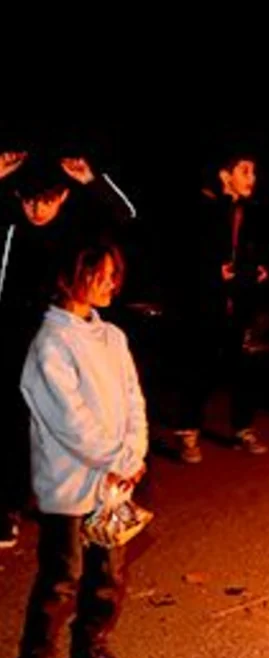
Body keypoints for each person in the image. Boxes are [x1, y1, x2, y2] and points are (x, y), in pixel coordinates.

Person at [12, 244, 147, 658]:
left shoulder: (113, 337)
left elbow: (133, 399)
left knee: (108, 573)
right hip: (70, 486)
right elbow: (70, 421)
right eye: (101, 274)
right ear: (72, 276)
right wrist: (115, 458)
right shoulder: (51, 344)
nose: (111, 282)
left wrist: (133, 454)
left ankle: (89, 643)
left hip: (112, 484)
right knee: (62, 576)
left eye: (114, 274)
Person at [1, 153, 135, 549]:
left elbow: (127, 217)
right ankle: (9, 505)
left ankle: (67, 503)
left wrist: (93, 181)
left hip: (62, 337)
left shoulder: (74, 232)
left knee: (67, 419)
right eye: (29, 201)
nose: (37, 210)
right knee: (13, 421)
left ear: (62, 197)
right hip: (13, 336)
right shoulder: (10, 226)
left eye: (46, 201)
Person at [173, 152, 269, 463]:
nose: (252, 178)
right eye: (245, 171)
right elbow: (183, 254)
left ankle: (243, 427)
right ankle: (189, 430)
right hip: (205, 302)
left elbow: (260, 249)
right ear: (225, 175)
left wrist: (262, 267)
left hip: (239, 300)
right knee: (199, 366)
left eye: (253, 172)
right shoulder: (202, 207)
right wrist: (210, 271)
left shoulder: (251, 210)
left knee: (243, 367)